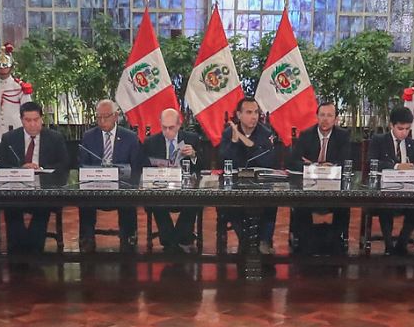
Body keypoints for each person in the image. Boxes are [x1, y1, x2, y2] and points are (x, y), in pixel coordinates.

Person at [0, 101, 68, 254]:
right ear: (21, 120)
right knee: (11, 207)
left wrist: (41, 169)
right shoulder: (9, 138)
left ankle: (34, 251)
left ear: (42, 119)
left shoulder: (55, 138)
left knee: (43, 206)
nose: (32, 124)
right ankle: (17, 251)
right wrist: (21, 169)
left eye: (36, 120)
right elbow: (3, 165)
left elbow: (63, 165)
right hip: (16, 190)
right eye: (28, 120)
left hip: (44, 189)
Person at [287, 100, 352, 255]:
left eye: (329, 115)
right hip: (309, 187)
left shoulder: (343, 136)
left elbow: (348, 161)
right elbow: (292, 162)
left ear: (336, 119)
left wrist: (333, 166)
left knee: (344, 202)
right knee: (301, 202)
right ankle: (304, 243)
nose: (325, 119)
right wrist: (314, 167)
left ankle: (337, 241)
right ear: (316, 117)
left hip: (334, 187)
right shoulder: (306, 135)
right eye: (322, 115)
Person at [218, 97, 279, 254]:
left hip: (261, 185)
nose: (254, 117)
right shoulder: (228, 133)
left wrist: (244, 141)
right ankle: (245, 240)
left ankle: (264, 240)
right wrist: (234, 142)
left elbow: (269, 161)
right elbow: (223, 161)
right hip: (236, 186)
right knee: (230, 203)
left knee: (272, 201)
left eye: (256, 112)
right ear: (239, 115)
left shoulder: (266, 133)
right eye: (249, 112)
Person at [78, 99, 139, 252]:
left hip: (122, 186)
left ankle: (129, 237)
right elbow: (82, 164)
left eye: (106, 116)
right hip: (95, 185)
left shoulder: (130, 137)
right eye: (98, 117)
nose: (102, 121)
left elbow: (136, 167)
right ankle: (87, 237)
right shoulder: (88, 136)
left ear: (116, 116)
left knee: (129, 197)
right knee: (84, 198)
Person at [140, 107, 203, 253]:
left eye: (171, 127)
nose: (167, 131)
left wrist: (193, 155)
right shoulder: (151, 142)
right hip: (161, 187)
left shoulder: (192, 139)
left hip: (186, 188)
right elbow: (144, 167)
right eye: (164, 127)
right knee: (155, 199)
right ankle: (170, 241)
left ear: (179, 124)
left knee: (194, 199)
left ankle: (179, 239)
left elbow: (203, 166)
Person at [365, 105, 414, 256]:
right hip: (385, 190)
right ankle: (389, 245)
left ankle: (402, 243)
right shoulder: (379, 140)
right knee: (386, 206)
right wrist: (397, 166)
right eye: (400, 128)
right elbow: (371, 162)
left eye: (407, 129)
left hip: (409, 191)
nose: (404, 132)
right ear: (391, 125)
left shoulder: (413, 144)